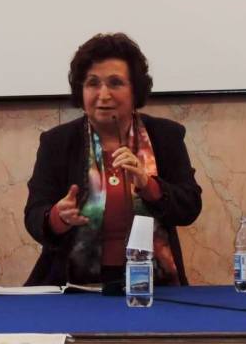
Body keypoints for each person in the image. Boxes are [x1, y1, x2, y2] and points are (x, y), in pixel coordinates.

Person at [24, 33, 202, 286]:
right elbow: (34, 216)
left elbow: (190, 207)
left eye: (115, 83)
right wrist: (57, 217)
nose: (103, 94)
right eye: (92, 83)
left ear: (135, 91)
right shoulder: (57, 142)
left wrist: (149, 186)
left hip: (153, 285)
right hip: (71, 288)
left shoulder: (165, 136)